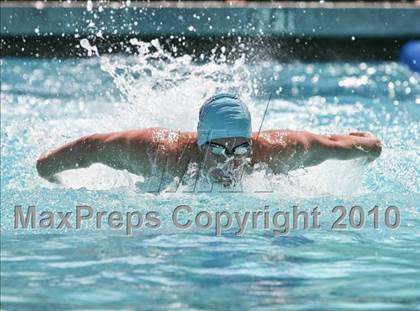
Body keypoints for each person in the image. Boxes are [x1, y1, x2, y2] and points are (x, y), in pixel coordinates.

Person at [36, 93, 382, 187]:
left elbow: (340, 146)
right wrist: (50, 171)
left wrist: (371, 145)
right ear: (202, 143)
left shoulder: (278, 150)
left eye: (240, 148)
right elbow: (95, 146)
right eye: (218, 148)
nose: (231, 160)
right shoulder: (161, 153)